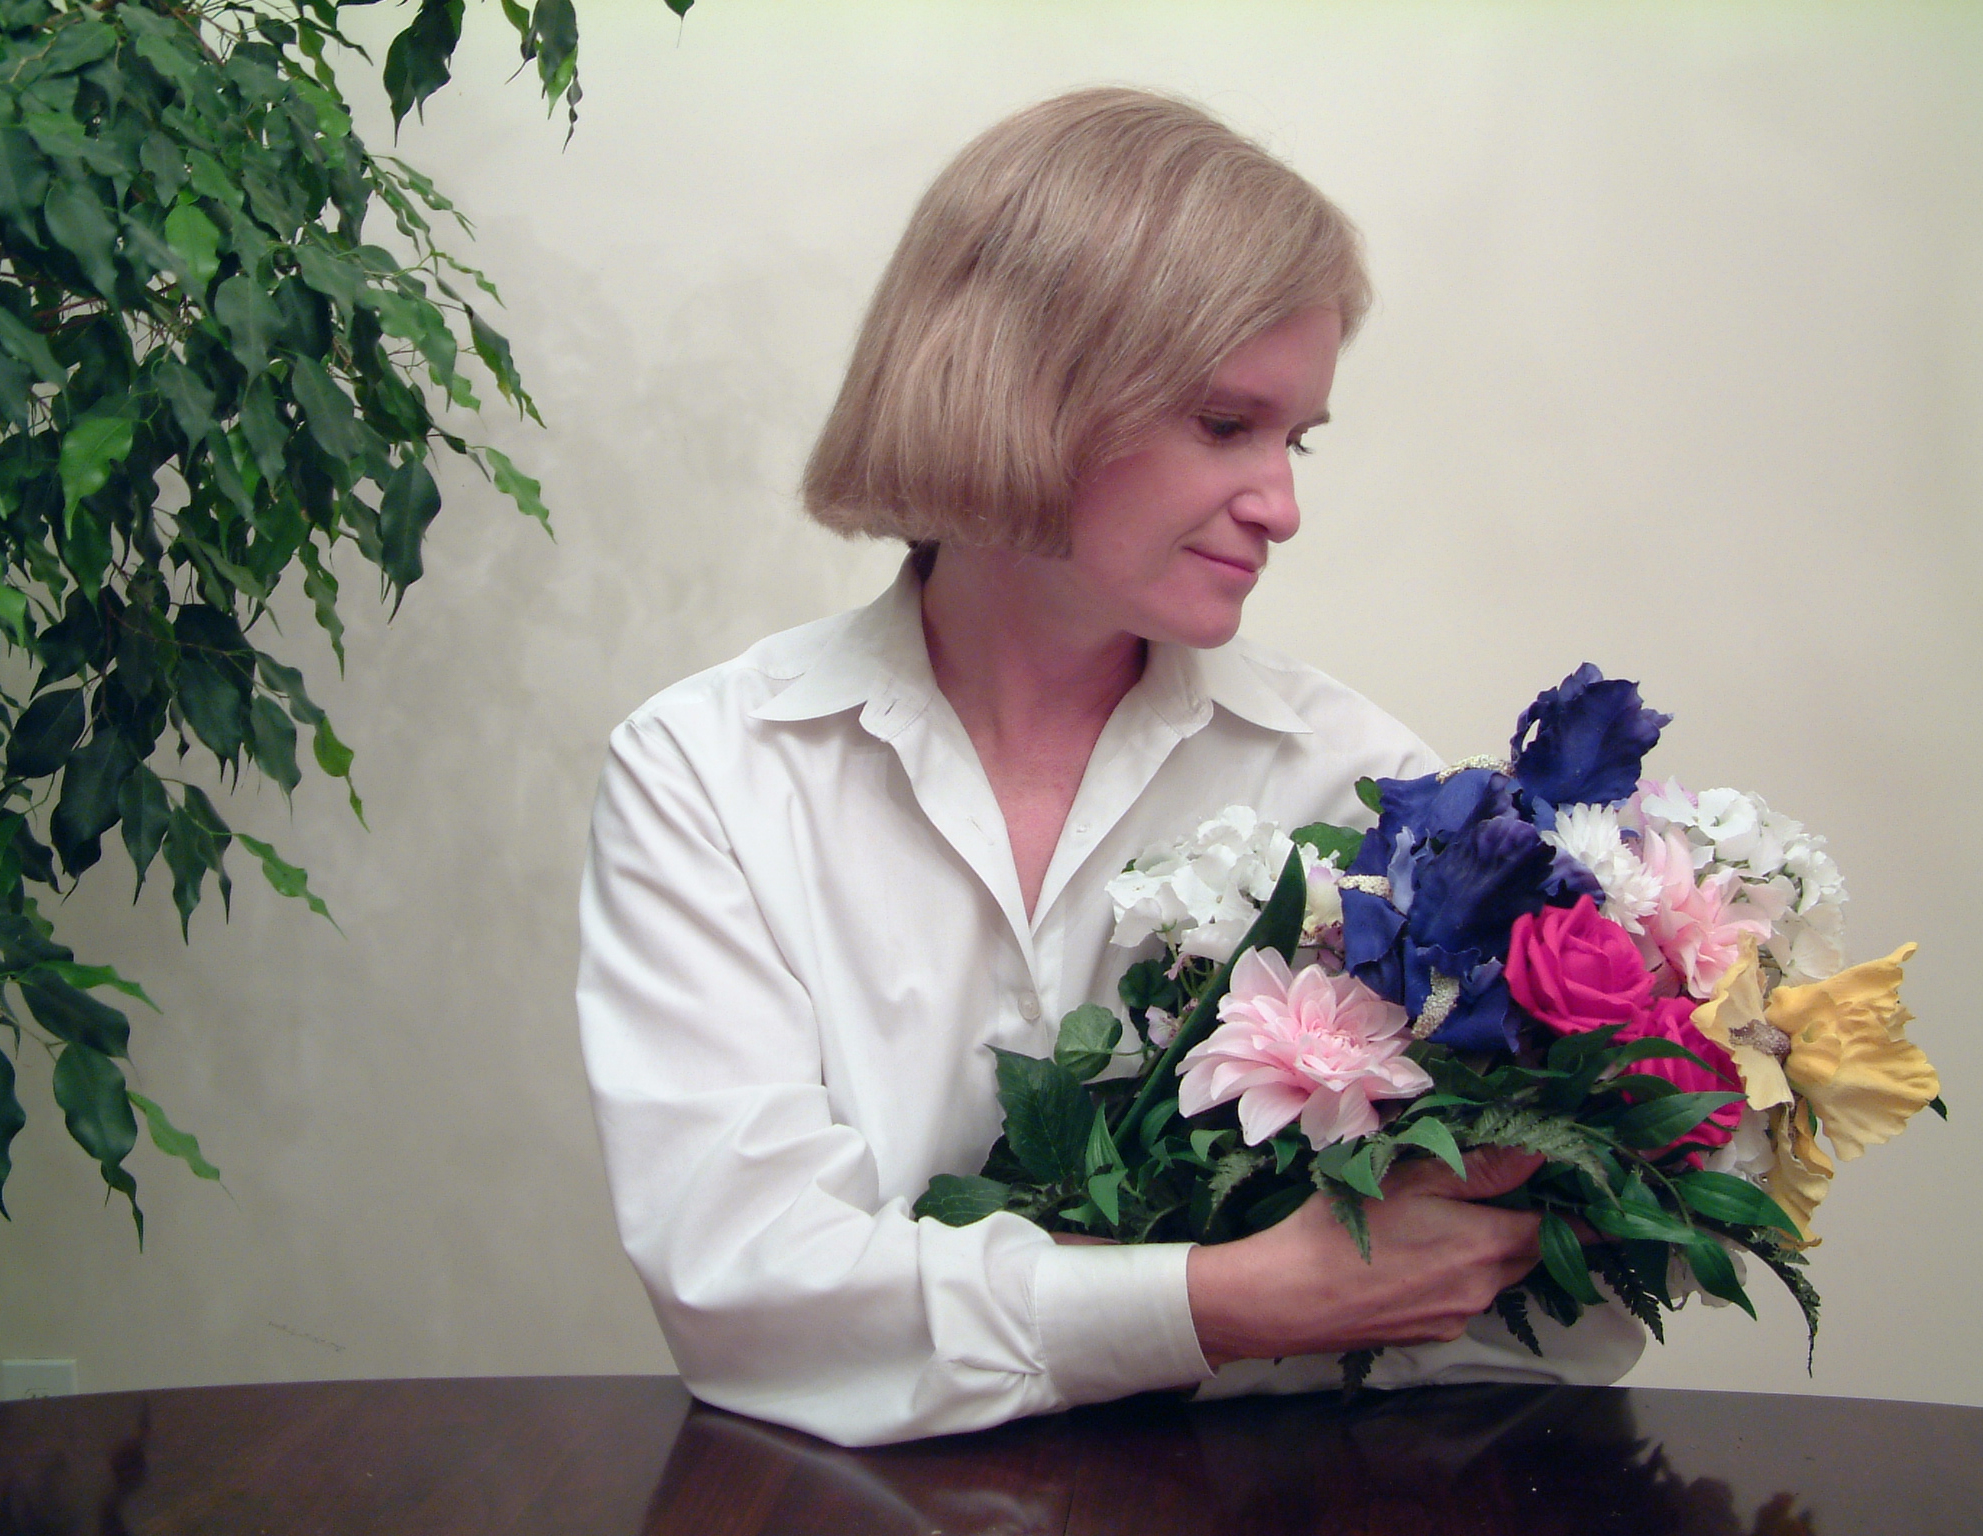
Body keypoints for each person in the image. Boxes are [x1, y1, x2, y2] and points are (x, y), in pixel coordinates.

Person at [576, 87, 1644, 1448]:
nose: (1283, 506)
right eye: (1226, 424)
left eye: (1297, 438)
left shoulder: (1356, 784)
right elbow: (749, 1291)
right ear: (1027, 387)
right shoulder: (713, 774)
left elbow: (1535, 1317)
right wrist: (1229, 1303)